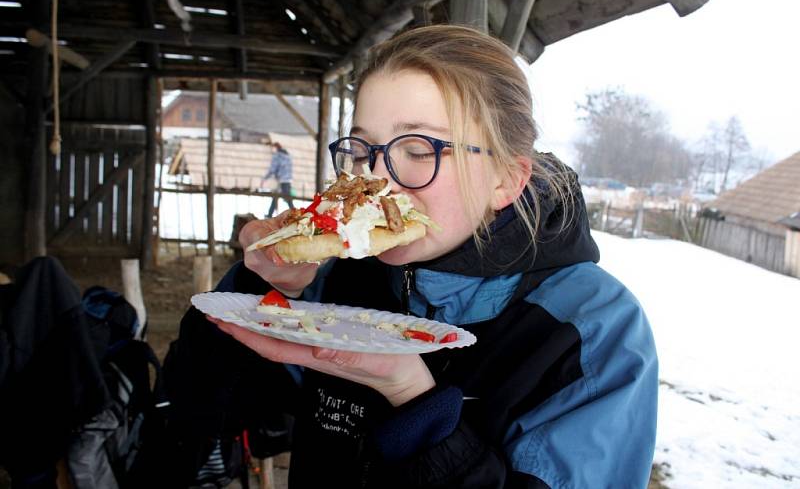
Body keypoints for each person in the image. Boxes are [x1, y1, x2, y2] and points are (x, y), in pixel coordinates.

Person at [167, 25, 658, 488]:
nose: (376, 182)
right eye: (363, 150)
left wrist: (411, 398)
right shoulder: (340, 278)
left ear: (506, 180)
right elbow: (195, 413)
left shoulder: (592, 330)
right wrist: (265, 291)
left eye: (419, 149)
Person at [263, 142, 294, 217]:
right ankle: (270, 213)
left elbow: (273, 169)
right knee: (278, 197)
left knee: (287, 199)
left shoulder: (277, 156)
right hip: (288, 179)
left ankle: (293, 212)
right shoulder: (287, 155)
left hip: (282, 180)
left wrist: (265, 178)